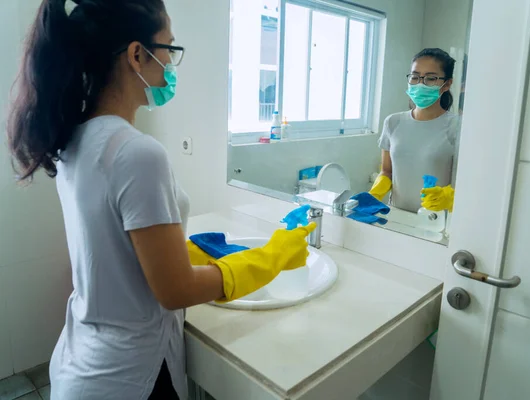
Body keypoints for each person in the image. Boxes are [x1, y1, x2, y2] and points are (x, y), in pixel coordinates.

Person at [6, 1, 314, 399]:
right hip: (129, 377)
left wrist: (187, 252)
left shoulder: (74, 140)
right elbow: (176, 291)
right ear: (138, 54)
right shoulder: (136, 152)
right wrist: (270, 258)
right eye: (169, 47)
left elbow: (112, 247)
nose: (171, 62)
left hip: (81, 362)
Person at [369, 48, 461, 213]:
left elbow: (466, 182)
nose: (420, 84)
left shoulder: (457, 127)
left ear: (447, 84)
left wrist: (450, 196)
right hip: (396, 216)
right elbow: (387, 171)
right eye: (415, 76)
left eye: (430, 78)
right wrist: (375, 193)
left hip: (435, 221)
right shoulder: (393, 122)